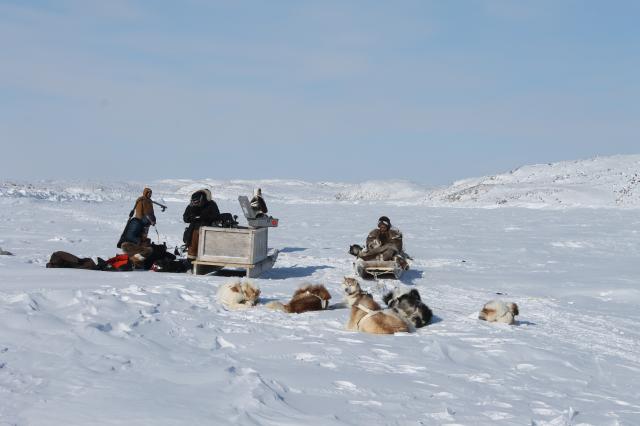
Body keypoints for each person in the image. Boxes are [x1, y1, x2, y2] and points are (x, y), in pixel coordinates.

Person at [120, 187, 157, 268]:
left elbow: (151, 212)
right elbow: (139, 212)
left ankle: (140, 258)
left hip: (147, 223)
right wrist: (141, 221)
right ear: (145, 193)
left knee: (144, 239)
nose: (150, 194)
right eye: (149, 193)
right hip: (141, 223)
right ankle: (135, 259)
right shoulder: (141, 200)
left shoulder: (149, 201)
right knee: (139, 240)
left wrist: (153, 220)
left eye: (151, 193)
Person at [183, 189, 221, 260]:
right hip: (194, 230)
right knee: (192, 248)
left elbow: (216, 216)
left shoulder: (211, 204)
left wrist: (204, 217)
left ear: (201, 199)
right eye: (193, 202)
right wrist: (191, 217)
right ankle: (191, 260)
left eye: (196, 202)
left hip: (208, 230)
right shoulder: (191, 206)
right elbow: (185, 218)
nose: (195, 204)